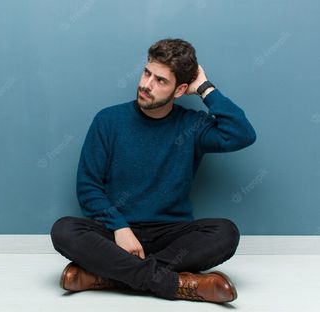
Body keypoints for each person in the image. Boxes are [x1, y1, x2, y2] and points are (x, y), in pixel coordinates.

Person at [50, 38, 256, 303]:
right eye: (147, 73)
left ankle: (105, 276)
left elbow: (242, 134)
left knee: (226, 232)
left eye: (161, 81)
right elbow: (88, 187)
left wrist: (206, 88)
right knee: (64, 230)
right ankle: (178, 284)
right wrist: (120, 227)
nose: (146, 85)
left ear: (180, 90)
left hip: (171, 236)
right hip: (116, 235)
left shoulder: (193, 125)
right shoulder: (108, 120)